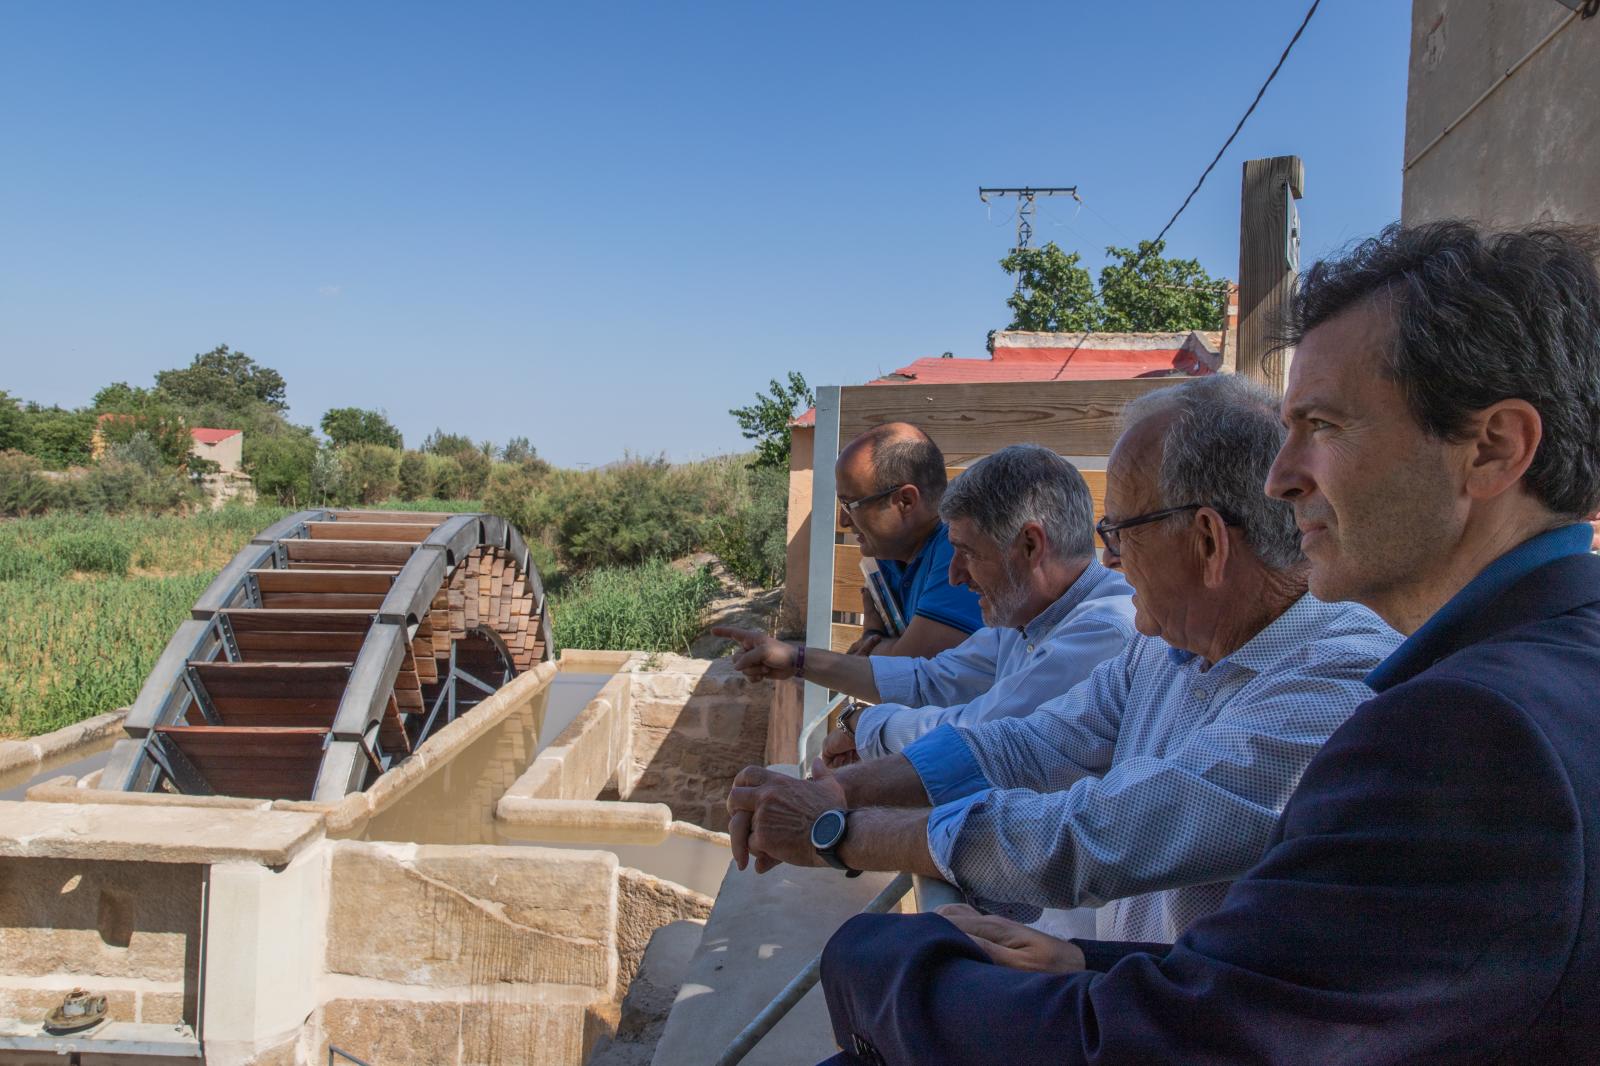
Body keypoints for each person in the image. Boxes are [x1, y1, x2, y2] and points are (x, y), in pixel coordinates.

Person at [817, 221, 1600, 1065]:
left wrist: (882, 959)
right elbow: (1310, 991)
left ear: (1492, 449)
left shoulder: (1464, 728)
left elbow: (1195, 1030)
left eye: (1324, 425)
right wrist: (1088, 961)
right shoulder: (1511, 672)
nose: (1280, 477)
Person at [726, 374, 1399, 944]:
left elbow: (1091, 833)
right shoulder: (1165, 651)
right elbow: (1023, 745)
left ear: (1208, 542)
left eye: (1120, 531)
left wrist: (836, 829)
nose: (1108, 557)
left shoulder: (1338, 686)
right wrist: (840, 791)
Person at [716, 444, 1136, 766]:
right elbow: (928, 680)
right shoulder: (1027, 620)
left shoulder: (1102, 633)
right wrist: (796, 660)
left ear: (1030, 545)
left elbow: (978, 736)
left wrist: (863, 727)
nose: (956, 575)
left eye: (968, 553)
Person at [832, 422, 982, 658]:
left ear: (906, 501)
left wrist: (874, 642)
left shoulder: (958, 551)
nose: (843, 520)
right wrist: (874, 635)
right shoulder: (889, 555)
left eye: (850, 505)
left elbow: (914, 668)